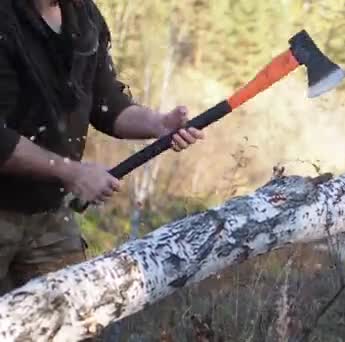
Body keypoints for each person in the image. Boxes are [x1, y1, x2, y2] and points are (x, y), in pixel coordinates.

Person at [0, 0, 204, 295]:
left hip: (50, 216)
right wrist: (72, 173)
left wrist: (158, 125)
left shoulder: (83, 16)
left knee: (76, 322)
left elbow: (106, 102)